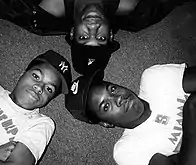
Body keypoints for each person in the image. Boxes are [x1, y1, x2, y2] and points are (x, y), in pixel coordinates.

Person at [0, 0, 192, 75]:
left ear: (72, 33)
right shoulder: (135, 9)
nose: (93, 27)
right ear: (110, 34)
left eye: (83, 36)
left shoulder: (46, 9)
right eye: (100, 37)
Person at [65, 63, 196, 165]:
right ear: (106, 123)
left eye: (112, 89)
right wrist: (190, 109)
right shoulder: (127, 150)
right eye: (106, 106)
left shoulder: (155, 79)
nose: (118, 98)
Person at [0, 50, 72, 165]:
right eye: (36, 76)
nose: (39, 87)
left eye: (49, 89)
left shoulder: (41, 124)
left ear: (50, 99)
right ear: (22, 74)